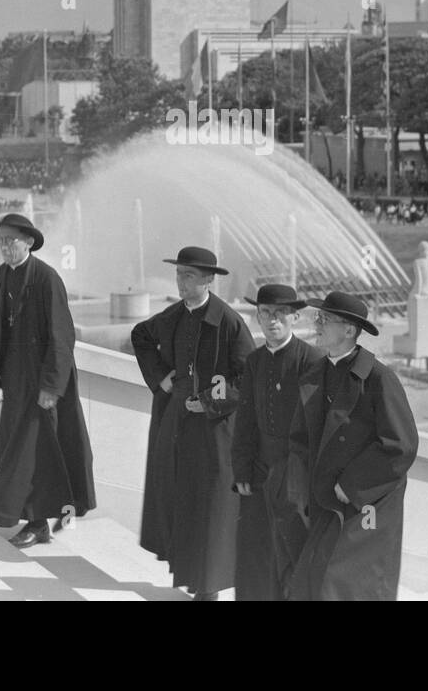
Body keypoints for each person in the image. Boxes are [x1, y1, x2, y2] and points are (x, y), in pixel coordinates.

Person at [133, 246, 254, 600]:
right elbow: (141, 336)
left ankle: (209, 586)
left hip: (214, 429)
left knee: (211, 503)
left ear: (208, 280)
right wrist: (160, 379)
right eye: (179, 274)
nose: (181, 282)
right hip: (177, 423)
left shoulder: (230, 322)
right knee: (181, 497)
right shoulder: (172, 315)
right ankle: (189, 574)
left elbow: (247, 378)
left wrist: (210, 403)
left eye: (189, 276)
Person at [285, 292, 418, 600]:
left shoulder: (379, 379)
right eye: (318, 318)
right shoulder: (316, 374)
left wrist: (352, 484)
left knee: (345, 582)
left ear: (348, 330)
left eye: (324, 320)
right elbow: (301, 439)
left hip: (369, 503)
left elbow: (401, 445)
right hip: (325, 498)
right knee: (311, 580)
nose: (316, 325)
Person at [0, 213, 96, 547]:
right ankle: (21, 513)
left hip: (42, 379)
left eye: (10, 241)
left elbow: (63, 337)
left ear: (28, 242)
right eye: (0, 241)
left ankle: (36, 522)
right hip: (16, 379)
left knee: (34, 451)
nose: (4, 247)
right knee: (15, 446)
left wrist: (51, 388)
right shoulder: (3, 275)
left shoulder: (47, 279)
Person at [231, 284, 325, 601]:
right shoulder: (255, 361)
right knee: (257, 551)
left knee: (292, 549)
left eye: (280, 314)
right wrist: (241, 470)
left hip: (295, 474)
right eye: (265, 313)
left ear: (295, 317)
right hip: (258, 473)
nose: (272, 320)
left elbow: (316, 427)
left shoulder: (311, 361)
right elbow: (244, 421)